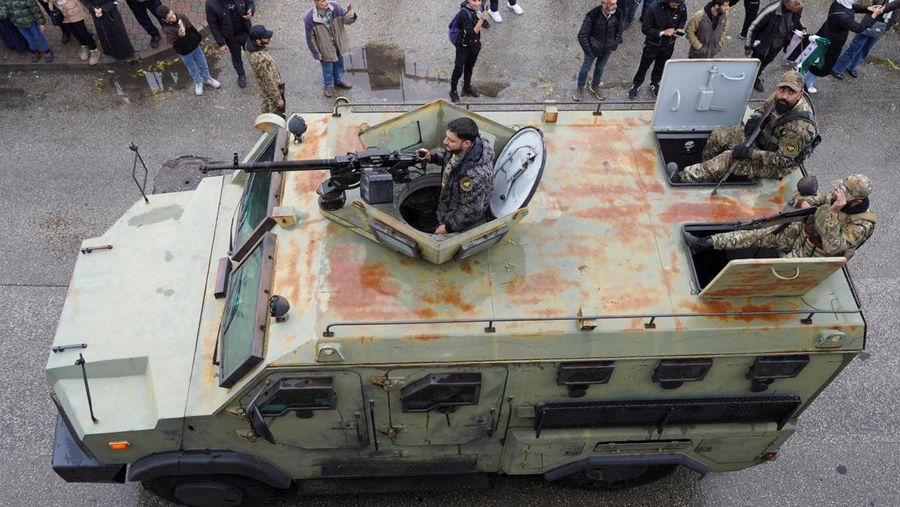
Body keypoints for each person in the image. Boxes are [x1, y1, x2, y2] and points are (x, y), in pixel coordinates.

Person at [670, 71, 819, 183]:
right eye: (782, 90)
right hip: (761, 140)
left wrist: (751, 153)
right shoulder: (779, 96)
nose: (784, 96)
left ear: (800, 95)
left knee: (727, 159)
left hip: (775, 165)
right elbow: (763, 109)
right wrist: (755, 118)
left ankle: (681, 179)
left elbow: (784, 161)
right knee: (719, 135)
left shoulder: (799, 128)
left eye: (791, 92)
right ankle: (706, 171)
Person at [685, 174, 876, 259]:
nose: (836, 195)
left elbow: (833, 247)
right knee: (756, 233)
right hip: (801, 232)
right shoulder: (837, 197)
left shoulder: (862, 224)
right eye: (839, 190)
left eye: (844, 194)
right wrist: (805, 203)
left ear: (857, 201)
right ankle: (705, 244)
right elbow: (805, 197)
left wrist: (833, 213)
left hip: (814, 254)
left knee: (774, 272)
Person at [415, 118, 495, 236]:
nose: (445, 141)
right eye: (446, 137)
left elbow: (473, 210)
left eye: (451, 140)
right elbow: (451, 158)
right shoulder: (465, 146)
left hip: (456, 211)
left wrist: (448, 227)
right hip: (448, 197)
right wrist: (431, 157)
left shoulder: (473, 177)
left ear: (466, 143)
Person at [804, 0, 882, 93]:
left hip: (827, 34)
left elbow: (851, 7)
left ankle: (807, 80)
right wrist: (873, 15)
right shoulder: (842, 17)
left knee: (818, 61)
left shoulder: (839, 3)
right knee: (820, 63)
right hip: (831, 42)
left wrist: (866, 9)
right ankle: (806, 84)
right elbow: (859, 28)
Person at [628, 0, 687, 99]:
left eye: (679, 4)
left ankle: (654, 83)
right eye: (675, 4)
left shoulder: (681, 6)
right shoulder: (653, 8)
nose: (677, 7)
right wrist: (663, 32)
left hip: (669, 44)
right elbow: (645, 29)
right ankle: (636, 85)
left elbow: (683, 20)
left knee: (660, 66)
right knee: (644, 66)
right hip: (653, 45)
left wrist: (679, 29)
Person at [157, 4, 220, 96]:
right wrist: (180, 36)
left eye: (172, 14)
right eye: (170, 17)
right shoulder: (167, 30)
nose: (173, 17)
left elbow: (191, 27)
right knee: (192, 68)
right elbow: (176, 45)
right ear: (165, 20)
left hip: (195, 47)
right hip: (185, 53)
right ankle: (198, 82)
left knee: (203, 63)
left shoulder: (181, 16)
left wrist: (198, 38)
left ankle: (207, 78)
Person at [745, 0, 805, 92]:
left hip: (778, 45)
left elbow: (798, 19)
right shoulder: (771, 10)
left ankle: (756, 77)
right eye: (797, 4)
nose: (800, 6)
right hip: (764, 45)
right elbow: (753, 27)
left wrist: (803, 29)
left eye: (802, 2)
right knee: (756, 63)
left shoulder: (797, 9)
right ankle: (746, 79)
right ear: (787, 4)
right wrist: (748, 47)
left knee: (765, 62)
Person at [832, 0, 897, 79]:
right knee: (854, 46)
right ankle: (837, 68)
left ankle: (851, 67)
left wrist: (890, 24)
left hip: (883, 26)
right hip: (870, 21)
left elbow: (896, 14)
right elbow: (879, 5)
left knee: (866, 49)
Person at [304, 0, 356, 98]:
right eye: (323, 0)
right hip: (325, 49)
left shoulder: (335, 7)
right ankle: (328, 85)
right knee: (327, 68)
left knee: (339, 63)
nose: (327, 2)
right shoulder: (310, 18)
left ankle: (339, 80)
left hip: (338, 45)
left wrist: (351, 16)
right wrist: (316, 53)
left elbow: (346, 20)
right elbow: (310, 39)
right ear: (316, 2)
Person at [575, 0, 625, 102]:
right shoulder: (592, 15)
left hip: (607, 49)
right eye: (612, 4)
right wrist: (589, 51)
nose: (615, 6)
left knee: (600, 68)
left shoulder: (618, 13)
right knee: (585, 69)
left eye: (616, 2)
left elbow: (620, 30)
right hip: (593, 50)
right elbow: (582, 35)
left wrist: (614, 44)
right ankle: (580, 87)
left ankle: (595, 86)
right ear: (603, 4)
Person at [206, 0, 255, 88]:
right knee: (236, 57)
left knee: (253, 53)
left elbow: (250, 2)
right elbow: (213, 25)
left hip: (246, 31)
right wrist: (221, 43)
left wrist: (251, 10)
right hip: (231, 38)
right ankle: (241, 75)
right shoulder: (210, 4)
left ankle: (257, 69)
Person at [449, 0, 488, 103]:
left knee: (469, 67)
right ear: (468, 1)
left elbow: (485, 25)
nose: (478, 3)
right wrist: (481, 20)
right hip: (463, 45)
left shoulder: (478, 9)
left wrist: (483, 19)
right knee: (458, 69)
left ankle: (466, 88)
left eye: (480, 0)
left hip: (474, 45)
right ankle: (453, 91)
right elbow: (471, 33)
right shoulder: (463, 13)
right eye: (474, 0)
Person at [245, 24, 284, 116]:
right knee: (273, 104)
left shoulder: (250, 45)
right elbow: (269, 80)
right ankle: (269, 122)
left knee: (266, 99)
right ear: (258, 41)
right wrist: (278, 98)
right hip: (268, 85)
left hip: (261, 81)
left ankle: (264, 117)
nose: (268, 39)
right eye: (265, 38)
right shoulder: (261, 59)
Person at [48, 0, 100, 64]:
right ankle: (83, 45)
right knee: (74, 32)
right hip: (62, 11)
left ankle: (94, 49)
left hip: (73, 9)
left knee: (82, 31)